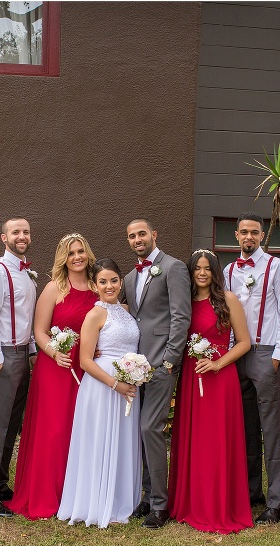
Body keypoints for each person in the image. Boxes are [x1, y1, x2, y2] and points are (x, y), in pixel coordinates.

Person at [9, 233, 99, 520]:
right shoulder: (54, 288)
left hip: (88, 368)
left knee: (81, 430)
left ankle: (79, 495)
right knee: (55, 431)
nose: (77, 257)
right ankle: (49, 495)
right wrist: (53, 352)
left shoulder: (99, 287)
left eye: (81, 251)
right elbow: (39, 330)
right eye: (71, 252)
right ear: (64, 257)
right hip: (56, 367)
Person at [168, 249, 253, 534]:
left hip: (220, 378)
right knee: (194, 439)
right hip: (192, 378)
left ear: (216, 273)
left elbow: (243, 343)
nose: (202, 273)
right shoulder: (184, 302)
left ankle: (218, 503)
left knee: (217, 439)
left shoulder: (227, 300)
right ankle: (191, 502)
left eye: (207, 269)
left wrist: (217, 363)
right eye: (197, 269)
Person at [223, 211, 280, 524]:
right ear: (236, 236)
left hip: (267, 354)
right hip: (235, 357)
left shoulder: (276, 266)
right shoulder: (227, 270)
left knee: (272, 429)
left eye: (255, 232)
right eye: (244, 232)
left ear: (262, 235)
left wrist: (278, 356)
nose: (249, 237)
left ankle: (277, 502)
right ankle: (254, 493)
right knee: (246, 428)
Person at [57, 258, 141, 528]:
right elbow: (85, 361)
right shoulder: (95, 314)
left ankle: (120, 500)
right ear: (94, 284)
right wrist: (116, 384)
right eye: (102, 281)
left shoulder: (126, 311)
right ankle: (95, 501)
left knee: (122, 441)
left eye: (114, 280)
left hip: (128, 384)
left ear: (120, 282)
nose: (109, 286)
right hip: (103, 387)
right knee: (100, 441)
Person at [123, 218, 191, 529]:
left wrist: (169, 361)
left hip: (161, 366)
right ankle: (148, 496)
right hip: (134, 368)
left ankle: (161, 505)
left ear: (154, 234)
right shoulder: (127, 278)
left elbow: (180, 316)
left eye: (141, 234)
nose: (137, 239)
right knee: (139, 431)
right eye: (131, 236)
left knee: (150, 428)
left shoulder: (173, 268)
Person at [0, 217, 38, 518]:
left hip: (22, 355)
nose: (22, 236)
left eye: (25, 232)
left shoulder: (27, 273)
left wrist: (33, 352)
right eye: (16, 232)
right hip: (2, 357)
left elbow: (27, 318)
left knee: (11, 426)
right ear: (4, 238)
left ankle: (0, 483)